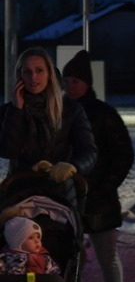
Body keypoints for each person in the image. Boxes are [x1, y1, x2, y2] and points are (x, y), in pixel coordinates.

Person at [62, 49, 135, 282]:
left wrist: (106, 185)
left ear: (88, 83)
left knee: (107, 255)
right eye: (67, 81)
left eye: (75, 81)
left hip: (100, 198)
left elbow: (123, 153)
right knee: (69, 257)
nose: (70, 87)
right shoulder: (61, 112)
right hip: (68, 197)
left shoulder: (104, 114)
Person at [0, 47, 97, 200]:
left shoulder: (70, 110)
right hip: (19, 192)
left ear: (50, 74)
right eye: (27, 71)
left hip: (60, 192)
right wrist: (17, 111)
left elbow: (89, 152)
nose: (33, 77)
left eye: (39, 70)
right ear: (19, 76)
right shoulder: (9, 111)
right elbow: (8, 151)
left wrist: (73, 167)